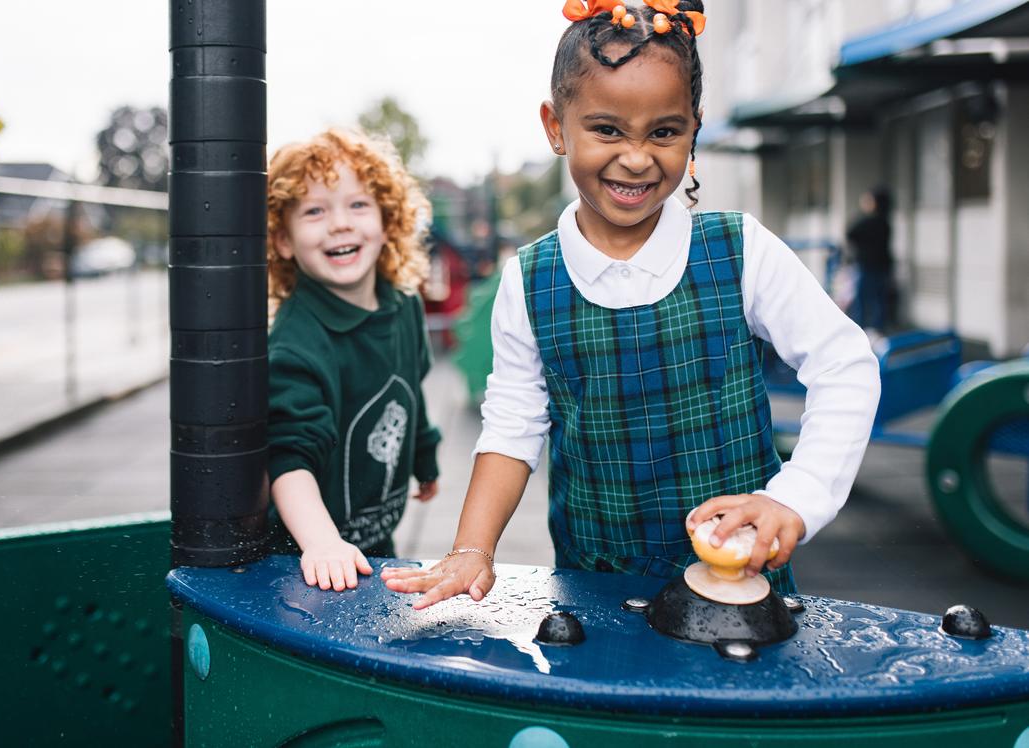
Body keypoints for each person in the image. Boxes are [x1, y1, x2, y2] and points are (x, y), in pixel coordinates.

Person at [383, 0, 879, 609]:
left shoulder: (739, 248)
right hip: (596, 589)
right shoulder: (530, 279)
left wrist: (795, 497)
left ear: (693, 130)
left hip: (741, 584)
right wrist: (471, 550)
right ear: (556, 126)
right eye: (608, 129)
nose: (638, 157)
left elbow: (845, 363)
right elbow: (513, 427)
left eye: (664, 132)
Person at [266, 129, 441, 592]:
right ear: (284, 240)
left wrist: (425, 455)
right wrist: (321, 544)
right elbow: (289, 458)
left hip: (373, 539)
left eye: (358, 205)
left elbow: (410, 388)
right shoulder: (297, 344)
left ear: (388, 221)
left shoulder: (403, 305)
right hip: (303, 558)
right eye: (315, 210)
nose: (340, 223)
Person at [846, 187, 895, 332]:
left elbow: (850, 231)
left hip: (867, 267)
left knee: (861, 301)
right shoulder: (886, 222)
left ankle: (857, 331)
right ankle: (877, 332)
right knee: (879, 302)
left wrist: (864, 212)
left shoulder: (869, 221)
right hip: (882, 267)